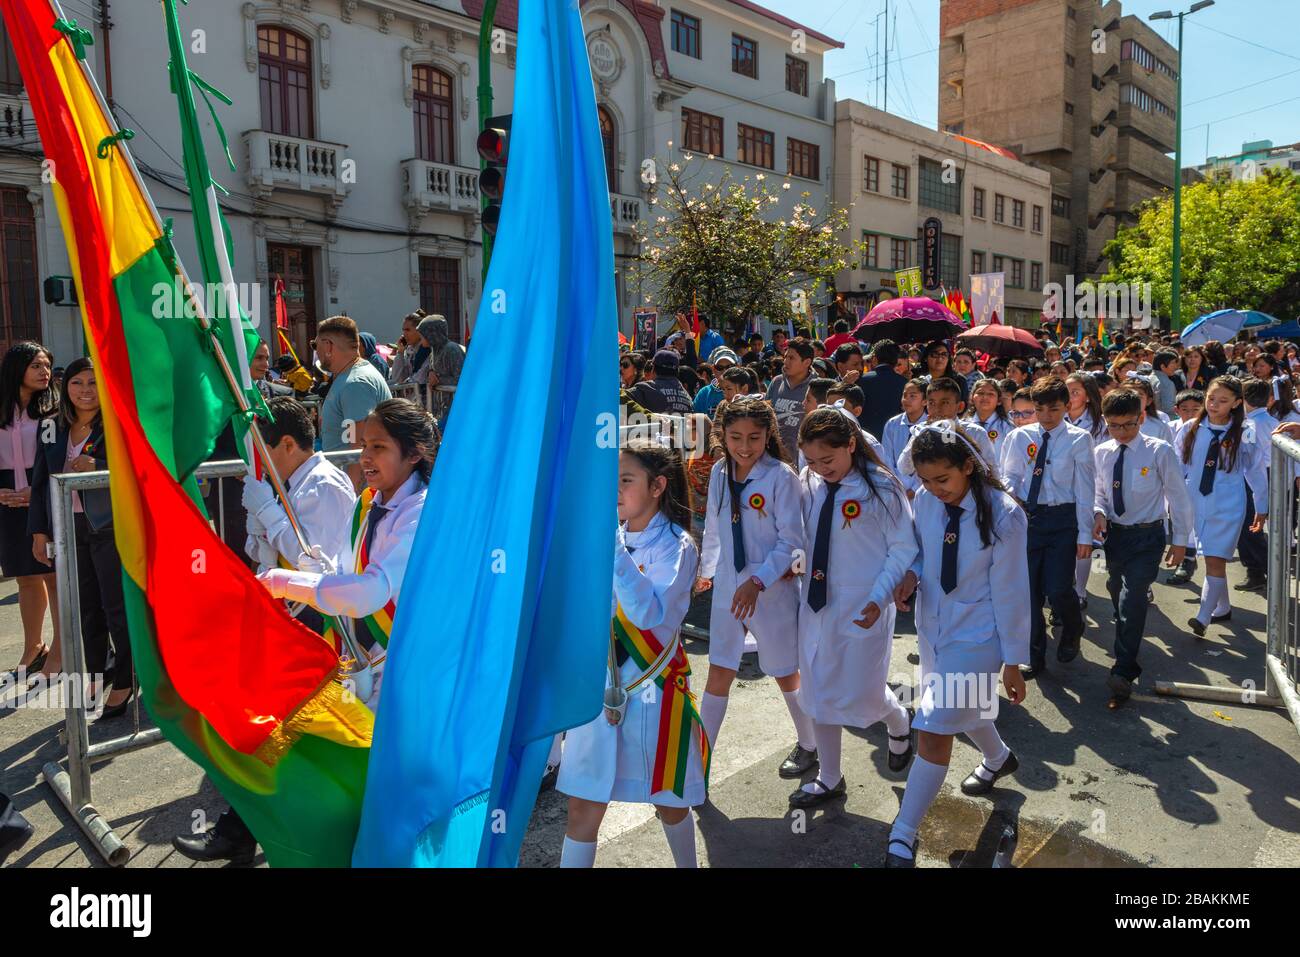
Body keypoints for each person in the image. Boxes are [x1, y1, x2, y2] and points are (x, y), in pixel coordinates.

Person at [176, 397, 359, 866]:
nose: (255, 460)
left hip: (314, 625)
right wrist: (259, 523)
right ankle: (244, 831)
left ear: (289, 445)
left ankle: (249, 832)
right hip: (282, 617)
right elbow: (269, 555)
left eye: (262, 448)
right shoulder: (287, 481)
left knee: (282, 737)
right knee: (263, 734)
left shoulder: (325, 483)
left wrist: (270, 514)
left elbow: (312, 563)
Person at [887, 422, 1030, 867]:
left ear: (969, 466)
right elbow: (922, 552)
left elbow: (1011, 591)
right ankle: (998, 756)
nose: (934, 489)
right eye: (926, 480)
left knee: (932, 726)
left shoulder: (1004, 513)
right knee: (951, 709)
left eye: (943, 479)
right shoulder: (928, 502)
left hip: (979, 634)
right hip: (934, 628)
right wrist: (911, 574)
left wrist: (1013, 661)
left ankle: (903, 833)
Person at [558, 442, 706, 868]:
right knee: (583, 806)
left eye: (626, 480)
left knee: (668, 800)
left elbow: (646, 616)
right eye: (612, 481)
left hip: (652, 692)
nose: (615, 490)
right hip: (601, 692)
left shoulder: (678, 546)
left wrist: (612, 551)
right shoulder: (613, 538)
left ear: (658, 486)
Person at [257, 398, 434, 710]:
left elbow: (372, 591)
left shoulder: (420, 510)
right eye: (364, 445)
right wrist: (319, 573)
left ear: (415, 453)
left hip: (410, 667)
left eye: (379, 447)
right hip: (367, 662)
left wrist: (285, 583)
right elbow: (346, 571)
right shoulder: (367, 502)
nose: (365, 457)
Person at [789, 407, 917, 808]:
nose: (819, 468)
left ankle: (898, 721)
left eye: (828, 460)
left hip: (865, 603)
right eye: (811, 460)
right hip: (816, 602)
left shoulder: (880, 487)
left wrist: (880, 595)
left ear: (850, 445)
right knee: (818, 691)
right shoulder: (810, 481)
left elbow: (903, 548)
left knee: (862, 692)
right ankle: (830, 777)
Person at [695, 399, 816, 780]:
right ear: (722, 436)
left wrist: (758, 581)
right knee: (719, 670)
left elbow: (792, 541)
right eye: (735, 437)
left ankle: (810, 745)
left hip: (771, 590)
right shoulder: (718, 472)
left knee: (785, 673)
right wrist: (705, 572)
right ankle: (699, 762)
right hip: (731, 587)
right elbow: (714, 530)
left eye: (754, 437)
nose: (744, 446)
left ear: (768, 435)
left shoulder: (781, 477)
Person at [27, 358, 129, 715]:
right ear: (65, 386)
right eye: (77, 383)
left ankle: (127, 679)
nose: (85, 391)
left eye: (92, 383)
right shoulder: (51, 427)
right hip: (68, 530)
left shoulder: (116, 423)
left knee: (115, 606)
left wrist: (101, 467)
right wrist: (39, 532)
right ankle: (97, 675)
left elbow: (138, 469)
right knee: (86, 610)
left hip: (110, 526)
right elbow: (40, 482)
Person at [1092, 389, 1193, 708]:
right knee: (1115, 587)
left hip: (1148, 537)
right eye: (1114, 425)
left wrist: (1180, 542)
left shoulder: (1158, 450)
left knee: (1132, 594)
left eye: (1128, 424)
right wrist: (1097, 512)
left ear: (1142, 418)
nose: (1121, 432)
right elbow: (1099, 492)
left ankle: (1124, 668)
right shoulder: (1103, 452)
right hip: (1115, 536)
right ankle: (1127, 633)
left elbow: (1178, 497)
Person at [1000, 376, 1095, 677]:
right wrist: (1010, 493)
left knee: (1057, 588)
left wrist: (1085, 534)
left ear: (1066, 406)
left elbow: (1085, 491)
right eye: (1039, 409)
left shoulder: (1080, 439)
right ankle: (1034, 654)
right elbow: (1010, 475)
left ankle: (1072, 626)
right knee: (1028, 592)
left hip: (1063, 519)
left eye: (1053, 409)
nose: (1046, 416)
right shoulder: (1020, 437)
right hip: (1030, 518)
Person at [1178, 377, 1268, 637]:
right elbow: (1177, 466)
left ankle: (1203, 617)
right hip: (1195, 500)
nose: (1214, 404)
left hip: (1228, 503)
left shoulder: (1245, 430)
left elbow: (1255, 470)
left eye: (1223, 401)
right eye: (1211, 398)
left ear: (1237, 403)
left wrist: (1262, 506)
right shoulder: (1189, 429)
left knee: (1216, 558)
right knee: (1209, 556)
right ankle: (1223, 607)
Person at [0, 341, 60, 676]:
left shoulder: (51, 412)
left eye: (47, 366)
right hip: (7, 499)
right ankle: (33, 648)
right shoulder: (2, 409)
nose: (45, 372)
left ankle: (62, 653)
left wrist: (34, 494)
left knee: (53, 576)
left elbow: (53, 459)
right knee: (25, 577)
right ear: (17, 368)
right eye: (36, 365)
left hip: (44, 495)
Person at [316, 315, 393, 488]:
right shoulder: (350, 376)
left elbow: (358, 446)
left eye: (316, 345)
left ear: (328, 346)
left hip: (354, 488)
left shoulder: (355, 383)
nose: (316, 352)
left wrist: (350, 492)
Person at [765, 337, 815, 456]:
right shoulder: (776, 382)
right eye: (785, 357)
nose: (786, 361)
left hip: (803, 459)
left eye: (791, 358)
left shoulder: (815, 387)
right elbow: (765, 415)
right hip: (774, 458)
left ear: (807, 362)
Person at [412, 314, 465, 424]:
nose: (421, 341)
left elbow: (462, 380)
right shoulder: (434, 351)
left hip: (455, 411)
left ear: (432, 334)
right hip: (441, 410)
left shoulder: (451, 350)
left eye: (422, 336)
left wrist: (439, 380)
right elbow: (433, 373)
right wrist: (430, 373)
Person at [857, 340, 908, 441]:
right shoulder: (904, 383)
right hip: (895, 438)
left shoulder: (861, 380)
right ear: (896, 360)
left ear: (875, 358)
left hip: (866, 439)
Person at [881, 378, 928, 477]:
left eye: (912, 396)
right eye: (904, 395)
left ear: (925, 401)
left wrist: (914, 488)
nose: (906, 399)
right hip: (895, 483)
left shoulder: (929, 426)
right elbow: (887, 458)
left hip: (921, 484)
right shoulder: (892, 424)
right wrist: (897, 483)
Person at [628, 349, 692, 414]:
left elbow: (620, 401)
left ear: (653, 369)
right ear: (677, 371)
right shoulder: (687, 397)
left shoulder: (644, 389)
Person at [966, 377, 1012, 464]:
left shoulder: (1008, 427)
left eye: (991, 394)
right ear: (971, 398)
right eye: (980, 393)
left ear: (999, 401)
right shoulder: (963, 426)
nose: (985, 397)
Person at [691, 348, 738, 416]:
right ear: (713, 369)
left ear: (738, 367)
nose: (725, 371)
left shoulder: (744, 390)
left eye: (729, 367)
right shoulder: (704, 393)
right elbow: (697, 424)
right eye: (719, 367)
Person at [389, 309, 427, 385]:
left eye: (408, 330)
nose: (404, 334)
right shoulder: (409, 350)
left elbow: (418, 379)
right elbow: (397, 378)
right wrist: (400, 352)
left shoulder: (426, 350)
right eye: (403, 330)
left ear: (419, 330)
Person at [1152, 350, 1180, 415]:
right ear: (1163, 366)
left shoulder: (1149, 378)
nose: (1176, 367)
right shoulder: (1167, 383)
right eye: (1173, 363)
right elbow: (1169, 410)